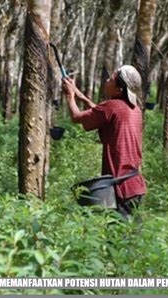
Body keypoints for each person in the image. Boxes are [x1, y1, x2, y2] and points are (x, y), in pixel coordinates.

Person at [62, 65, 146, 219]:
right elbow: (101, 113)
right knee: (133, 238)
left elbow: (76, 117)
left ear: (119, 89)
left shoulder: (111, 106)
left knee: (118, 239)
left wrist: (69, 95)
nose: (107, 81)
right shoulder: (134, 109)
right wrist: (79, 94)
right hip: (135, 185)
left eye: (111, 79)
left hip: (120, 188)